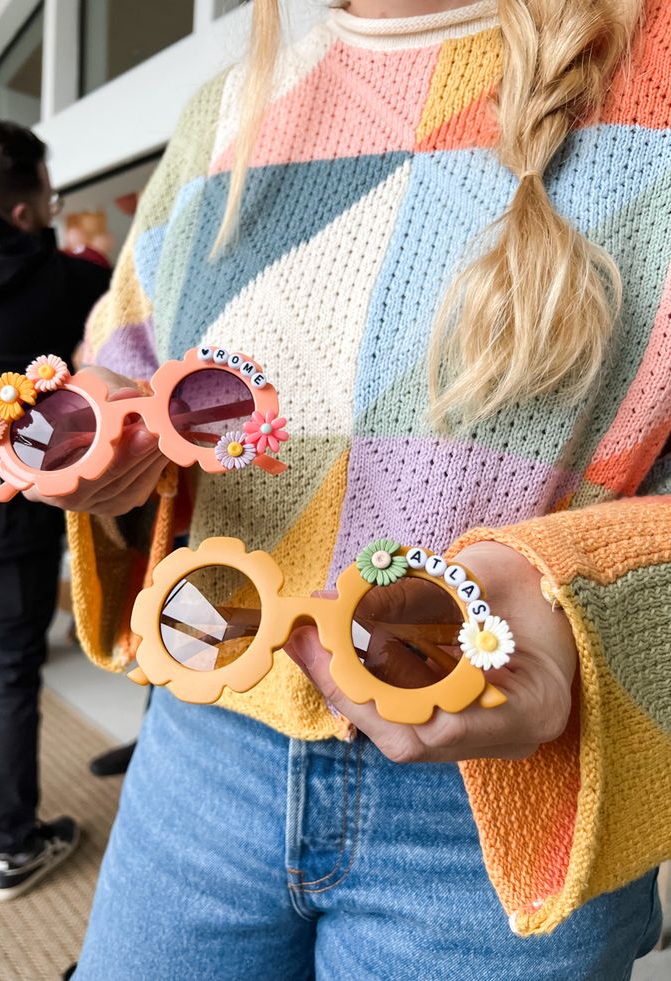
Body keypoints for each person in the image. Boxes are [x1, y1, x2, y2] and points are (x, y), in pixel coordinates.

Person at [42, 0, 669, 976]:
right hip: (204, 728)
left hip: (506, 796)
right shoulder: (223, 111)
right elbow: (121, 358)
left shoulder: (654, 72)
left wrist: (583, 595)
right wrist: (95, 433)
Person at [0, 120, 111, 900]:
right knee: (7, 683)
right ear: (22, 208)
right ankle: (14, 845)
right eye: (47, 195)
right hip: (5, 526)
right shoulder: (61, 282)